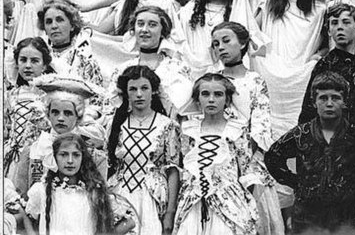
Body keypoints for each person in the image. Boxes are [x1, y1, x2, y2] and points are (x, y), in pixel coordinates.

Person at [265, 71, 355, 233]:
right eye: (323, 98)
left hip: (345, 217)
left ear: (344, 102)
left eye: (335, 98)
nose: (329, 103)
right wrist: (297, 183)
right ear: (314, 102)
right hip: (307, 216)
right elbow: (272, 157)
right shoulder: (301, 134)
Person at [173, 73, 276, 235]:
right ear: (198, 99)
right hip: (193, 201)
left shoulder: (237, 130)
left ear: (227, 100)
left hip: (229, 201)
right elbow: (184, 165)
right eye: (205, 94)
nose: (211, 99)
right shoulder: (188, 131)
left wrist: (248, 205)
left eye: (218, 94)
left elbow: (246, 169)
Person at [255, 0, 326, 138]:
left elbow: (328, 43)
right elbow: (251, 33)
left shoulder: (320, 8)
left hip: (304, 74)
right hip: (272, 73)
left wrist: (317, 57)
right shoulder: (269, 6)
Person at [107, 65, 181, 235]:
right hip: (120, 196)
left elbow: (173, 170)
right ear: (126, 93)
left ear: (153, 91)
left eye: (144, 88)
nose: (139, 94)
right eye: (133, 89)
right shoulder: (117, 124)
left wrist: (170, 213)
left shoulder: (167, 125)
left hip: (152, 198)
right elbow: (110, 164)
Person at [298, 2, 355, 131]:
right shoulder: (323, 66)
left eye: (346, 22)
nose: (340, 27)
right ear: (329, 31)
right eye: (334, 23)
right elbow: (309, 109)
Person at [26, 133, 135, 235]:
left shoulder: (93, 191)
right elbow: (26, 220)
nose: (70, 161)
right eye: (63, 154)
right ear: (54, 157)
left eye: (76, 155)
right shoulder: (41, 191)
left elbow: (129, 222)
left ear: (83, 158)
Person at [13, 75, 105, 197]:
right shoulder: (35, 150)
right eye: (55, 112)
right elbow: (22, 193)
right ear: (48, 114)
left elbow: (100, 198)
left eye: (68, 113)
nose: (60, 118)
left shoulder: (92, 153)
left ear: (78, 117)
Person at [179, 0, 258, 78]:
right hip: (194, 74)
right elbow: (183, 46)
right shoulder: (189, 11)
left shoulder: (238, 7)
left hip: (230, 73)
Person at [109, 6, 193, 117]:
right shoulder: (122, 69)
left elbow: (179, 107)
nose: (144, 30)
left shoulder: (177, 68)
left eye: (152, 25)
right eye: (140, 24)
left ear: (163, 31)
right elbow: (111, 106)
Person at [4, 37, 52, 183]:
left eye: (35, 61)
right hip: (13, 158)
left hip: (38, 158)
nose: (28, 66)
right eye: (23, 60)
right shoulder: (11, 95)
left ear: (44, 65)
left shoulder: (49, 95)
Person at [37, 0, 104, 89]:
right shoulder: (39, 55)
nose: (54, 26)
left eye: (59, 20)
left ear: (72, 25)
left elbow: (97, 95)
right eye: (48, 22)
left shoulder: (84, 58)